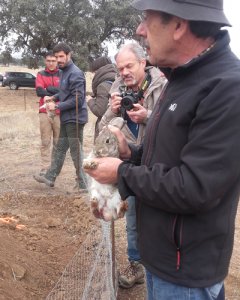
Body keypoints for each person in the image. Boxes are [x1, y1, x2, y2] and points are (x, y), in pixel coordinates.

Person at [84, 0, 240, 299]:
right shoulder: (180, 79)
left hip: (185, 275)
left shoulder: (227, 87)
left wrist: (122, 173)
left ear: (179, 25)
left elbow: (196, 187)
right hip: (162, 260)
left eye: (147, 18)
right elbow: (170, 159)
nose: (140, 29)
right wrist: (132, 154)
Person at [99, 42, 166, 289]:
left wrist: (148, 117)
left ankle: (159, 263)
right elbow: (101, 132)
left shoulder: (163, 86)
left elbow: (174, 125)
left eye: (129, 66)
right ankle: (137, 264)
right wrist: (110, 112)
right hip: (130, 166)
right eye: (120, 68)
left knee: (160, 216)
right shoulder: (116, 91)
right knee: (133, 218)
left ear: (143, 63)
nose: (124, 72)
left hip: (159, 164)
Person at [34, 42, 88, 191]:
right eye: (56, 57)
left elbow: (78, 99)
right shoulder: (64, 71)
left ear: (69, 55)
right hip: (67, 117)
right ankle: (50, 176)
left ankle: (84, 184)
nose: (58, 60)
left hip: (75, 119)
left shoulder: (75, 73)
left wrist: (57, 106)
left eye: (61, 56)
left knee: (76, 151)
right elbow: (65, 92)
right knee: (60, 148)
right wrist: (54, 98)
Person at [35, 50, 61, 175]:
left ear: (57, 61)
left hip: (59, 111)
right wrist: (55, 92)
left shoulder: (62, 74)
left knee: (57, 141)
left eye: (53, 61)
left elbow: (65, 92)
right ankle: (45, 167)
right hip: (44, 111)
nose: (51, 63)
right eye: (48, 61)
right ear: (45, 61)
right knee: (45, 141)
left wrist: (48, 89)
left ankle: (54, 168)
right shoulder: (40, 74)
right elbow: (39, 92)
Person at [87, 56, 117, 142]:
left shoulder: (102, 86)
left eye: (93, 73)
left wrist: (90, 101)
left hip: (105, 129)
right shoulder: (116, 80)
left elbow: (100, 111)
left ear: (97, 70)